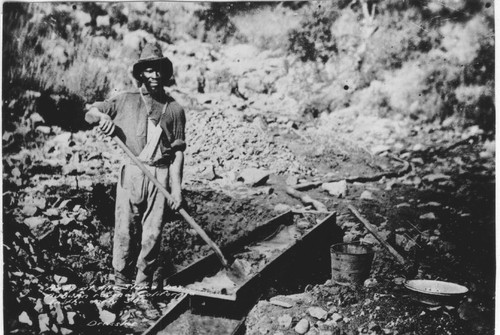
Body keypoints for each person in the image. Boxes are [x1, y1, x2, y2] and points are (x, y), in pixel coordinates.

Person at [85, 43, 186, 319]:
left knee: (152, 235)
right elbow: (90, 111)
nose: (154, 75)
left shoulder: (174, 109)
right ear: (141, 73)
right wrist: (102, 117)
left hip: (160, 176)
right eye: (149, 69)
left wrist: (176, 191)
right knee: (124, 231)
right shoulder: (125, 99)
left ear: (166, 74)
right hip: (131, 172)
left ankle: (142, 291)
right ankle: (120, 287)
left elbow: (177, 154)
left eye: (159, 70)